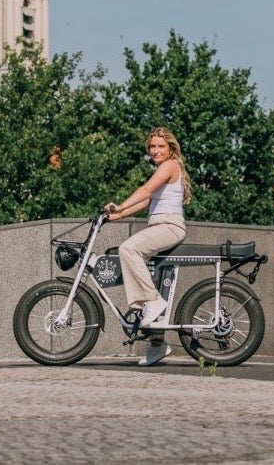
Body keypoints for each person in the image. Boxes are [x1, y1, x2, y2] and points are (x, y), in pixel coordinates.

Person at [104, 127, 191, 366]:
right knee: (151, 274)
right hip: (159, 227)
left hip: (169, 227)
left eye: (160, 146)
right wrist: (117, 216)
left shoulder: (170, 166)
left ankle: (151, 301)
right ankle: (157, 344)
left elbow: (145, 190)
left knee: (128, 249)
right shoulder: (164, 168)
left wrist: (119, 206)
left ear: (170, 147)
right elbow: (146, 201)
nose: (155, 150)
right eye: (152, 146)